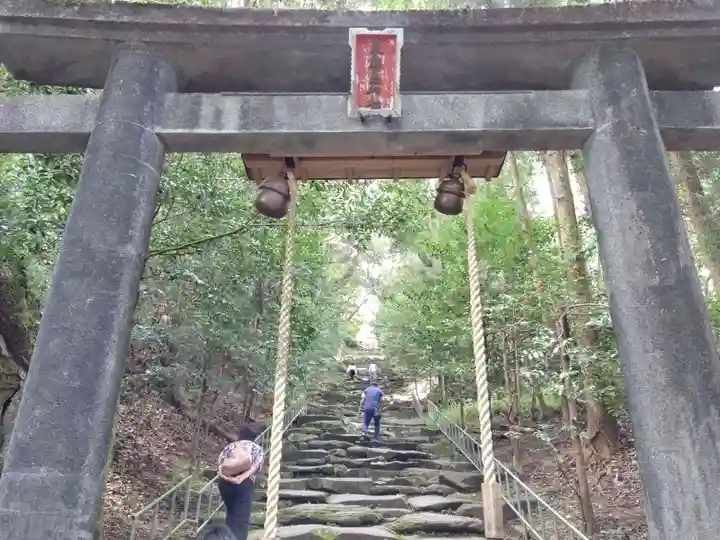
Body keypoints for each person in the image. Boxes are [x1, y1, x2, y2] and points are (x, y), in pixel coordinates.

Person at [217, 425, 264, 540]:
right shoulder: (255, 447)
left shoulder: (230, 447)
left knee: (231, 513)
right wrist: (242, 477)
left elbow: (220, 464)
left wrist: (227, 478)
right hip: (244, 484)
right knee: (241, 519)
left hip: (224, 484)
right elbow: (257, 466)